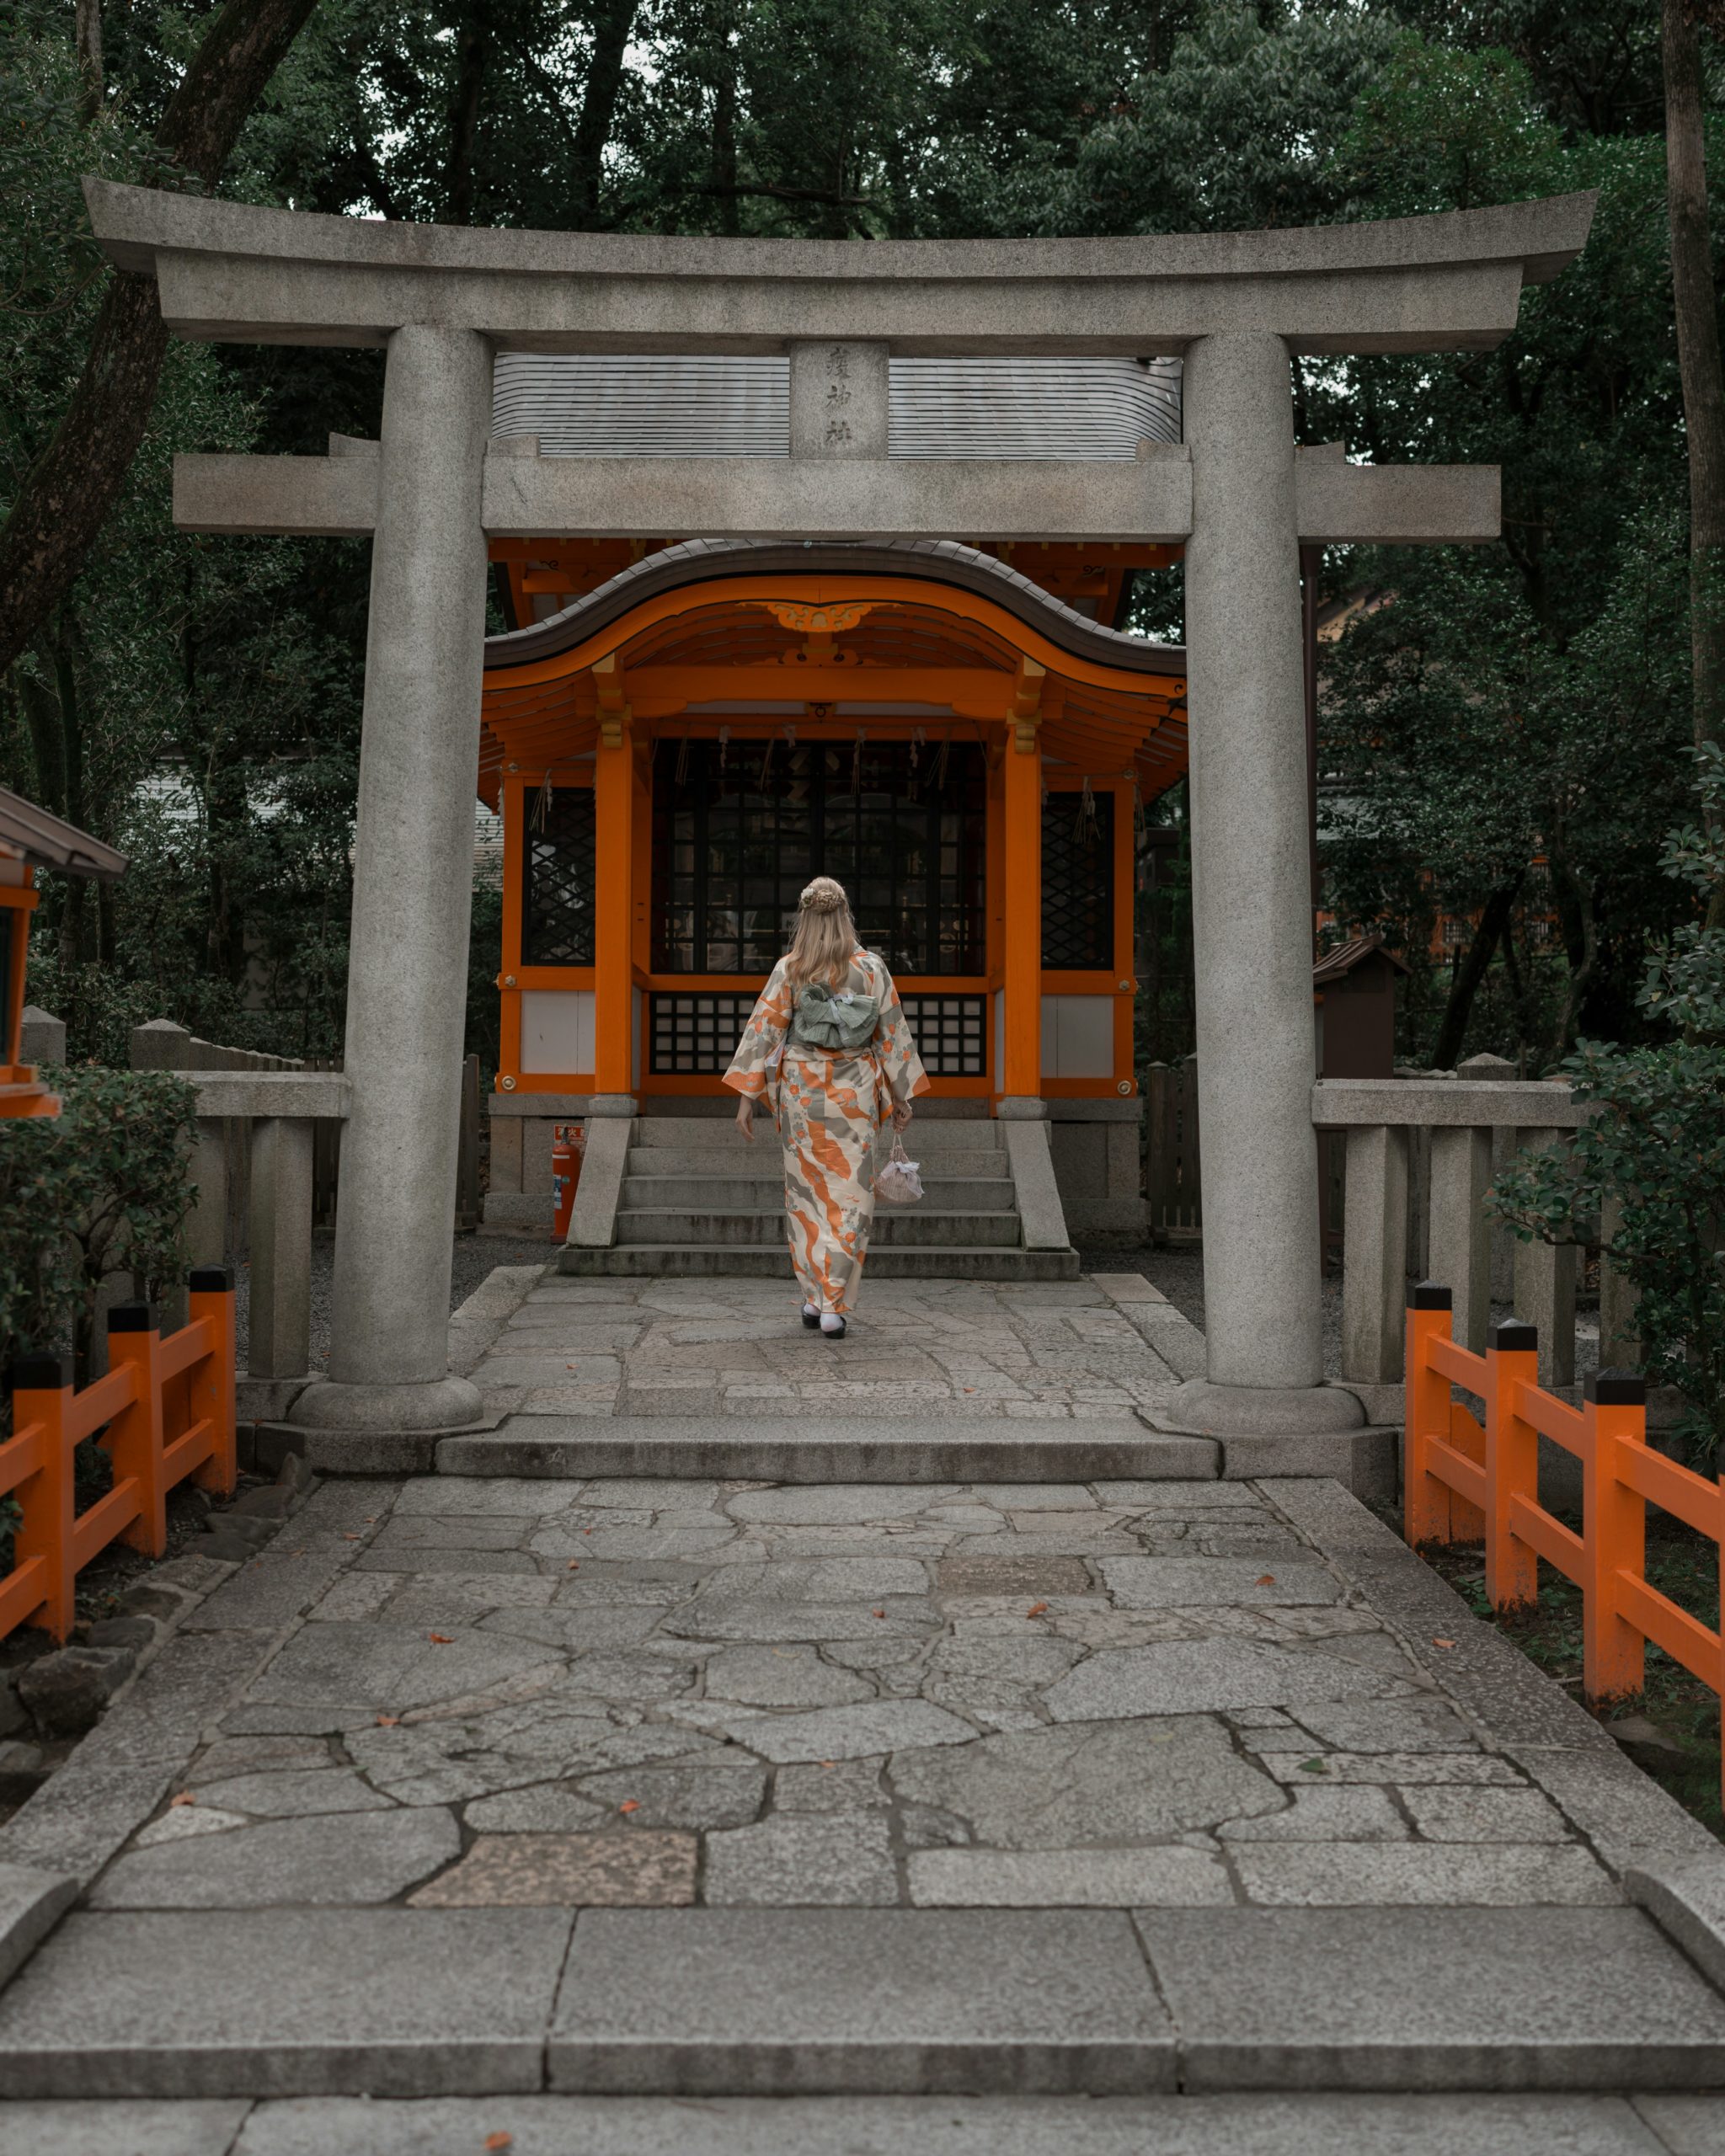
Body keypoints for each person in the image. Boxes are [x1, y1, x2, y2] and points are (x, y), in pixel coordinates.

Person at [723, 876, 929, 1337]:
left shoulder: (791, 968)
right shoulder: (871, 968)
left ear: (805, 919)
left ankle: (815, 1298)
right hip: (853, 1093)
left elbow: (763, 1033)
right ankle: (832, 1302)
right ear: (844, 915)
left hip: (801, 1092)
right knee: (851, 1196)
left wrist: (745, 1098)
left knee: (806, 1196)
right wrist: (902, 1096)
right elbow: (890, 1034)